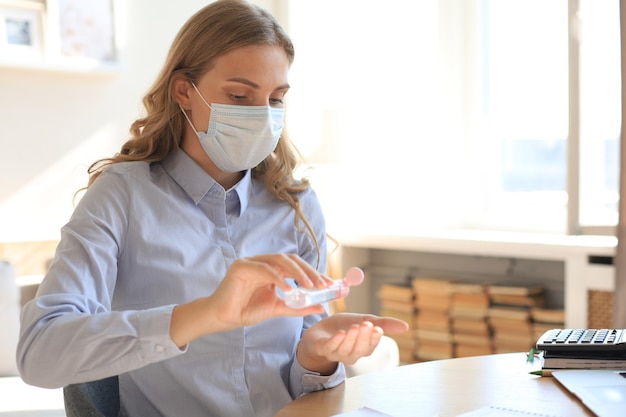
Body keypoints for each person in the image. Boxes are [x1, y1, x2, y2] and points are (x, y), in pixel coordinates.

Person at [16, 1, 408, 416]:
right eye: (239, 95)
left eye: (276, 99)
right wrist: (205, 314)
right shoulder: (122, 198)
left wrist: (317, 355)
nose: (262, 115)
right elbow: (39, 352)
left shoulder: (295, 205)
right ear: (184, 91)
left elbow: (303, 388)